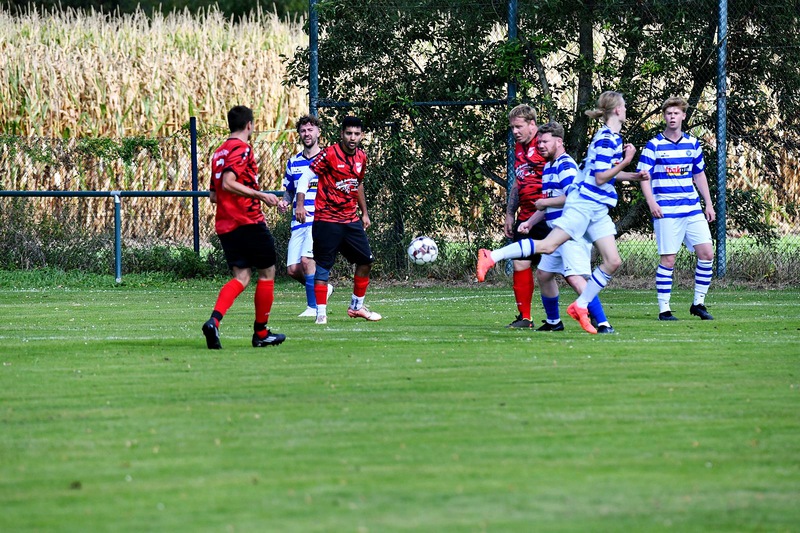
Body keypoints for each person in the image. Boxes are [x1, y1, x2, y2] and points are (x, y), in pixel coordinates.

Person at [477, 91, 650, 334]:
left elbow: (599, 175)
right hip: (585, 206)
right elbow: (600, 177)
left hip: (594, 208)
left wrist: (632, 174)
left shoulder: (602, 142)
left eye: (544, 142)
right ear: (618, 110)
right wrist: (627, 161)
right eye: (624, 105)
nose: (540, 146)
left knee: (610, 262)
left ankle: (580, 309)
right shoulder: (605, 139)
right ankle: (493, 257)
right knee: (550, 262)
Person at [517, 122, 615, 334]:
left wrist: (544, 203)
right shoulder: (549, 166)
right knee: (544, 274)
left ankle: (603, 323)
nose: (540, 145)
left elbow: (573, 197)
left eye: (545, 141)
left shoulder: (565, 165)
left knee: (575, 278)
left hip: (570, 232)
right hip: (557, 232)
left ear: (559, 142)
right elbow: (548, 203)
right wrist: (530, 222)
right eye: (539, 142)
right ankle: (554, 322)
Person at [201, 105, 286, 349]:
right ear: (249, 125)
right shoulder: (242, 148)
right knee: (267, 273)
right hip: (248, 221)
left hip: (225, 224)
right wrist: (260, 195)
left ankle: (214, 322)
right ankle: (261, 333)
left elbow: (214, 196)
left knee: (242, 277)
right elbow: (228, 183)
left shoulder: (218, 153)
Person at [637, 97, 716, 321]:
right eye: (669, 113)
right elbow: (644, 177)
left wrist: (708, 203)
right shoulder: (654, 145)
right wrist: (652, 203)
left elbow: (699, 174)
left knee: (707, 254)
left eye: (676, 113)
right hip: (666, 211)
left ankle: (698, 304)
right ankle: (664, 309)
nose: (672, 117)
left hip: (692, 208)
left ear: (683, 116)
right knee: (668, 260)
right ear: (664, 116)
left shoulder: (693, 144)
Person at [309, 116, 381, 325]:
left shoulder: (361, 157)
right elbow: (309, 174)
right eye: (349, 133)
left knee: (366, 261)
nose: (352, 137)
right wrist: (301, 201)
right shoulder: (329, 154)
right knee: (323, 266)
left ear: (362, 136)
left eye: (357, 134)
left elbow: (358, 184)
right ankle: (321, 314)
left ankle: (356, 307)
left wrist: (364, 213)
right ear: (342, 134)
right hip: (327, 219)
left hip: (350, 219)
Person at [497, 104, 550, 328]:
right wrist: (510, 213)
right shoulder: (519, 147)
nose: (515, 131)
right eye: (512, 127)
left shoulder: (544, 144)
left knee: (568, 271)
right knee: (520, 264)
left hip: (548, 216)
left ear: (532, 124)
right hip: (526, 217)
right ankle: (525, 318)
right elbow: (518, 183)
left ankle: (593, 313)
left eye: (519, 127)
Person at [278, 115, 333, 317]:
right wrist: (285, 202)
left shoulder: (328, 159)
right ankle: (323, 289)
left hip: (318, 219)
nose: (307, 134)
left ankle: (313, 307)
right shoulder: (294, 162)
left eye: (310, 130)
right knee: (293, 269)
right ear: (299, 134)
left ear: (318, 132)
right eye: (303, 130)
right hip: (298, 221)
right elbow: (289, 190)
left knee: (307, 260)